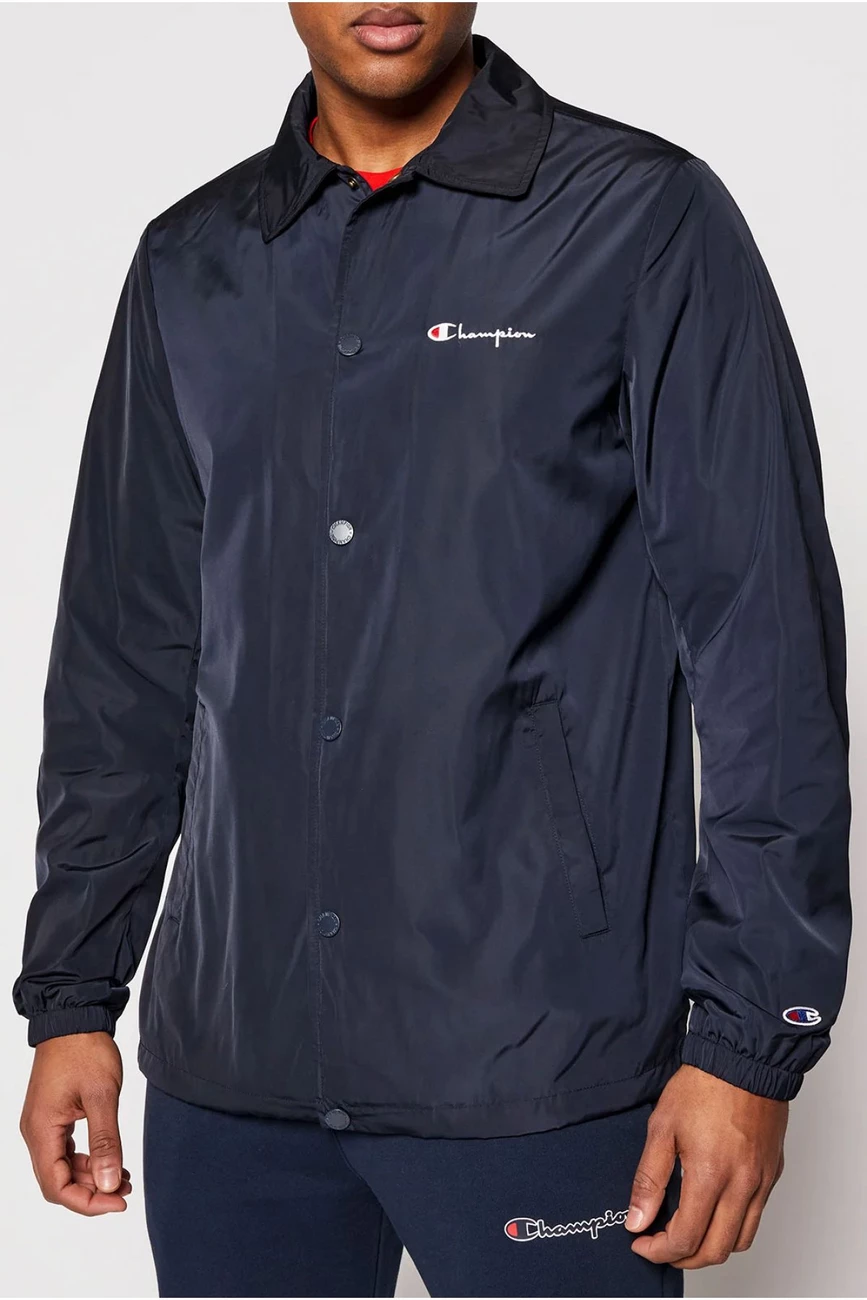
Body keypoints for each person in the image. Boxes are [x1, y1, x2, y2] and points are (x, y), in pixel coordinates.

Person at [14, 4, 850, 1297]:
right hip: (235, 1073)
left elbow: (766, 649)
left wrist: (750, 1042)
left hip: (543, 1066)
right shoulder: (192, 261)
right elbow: (123, 658)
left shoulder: (637, 218)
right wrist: (74, 994)